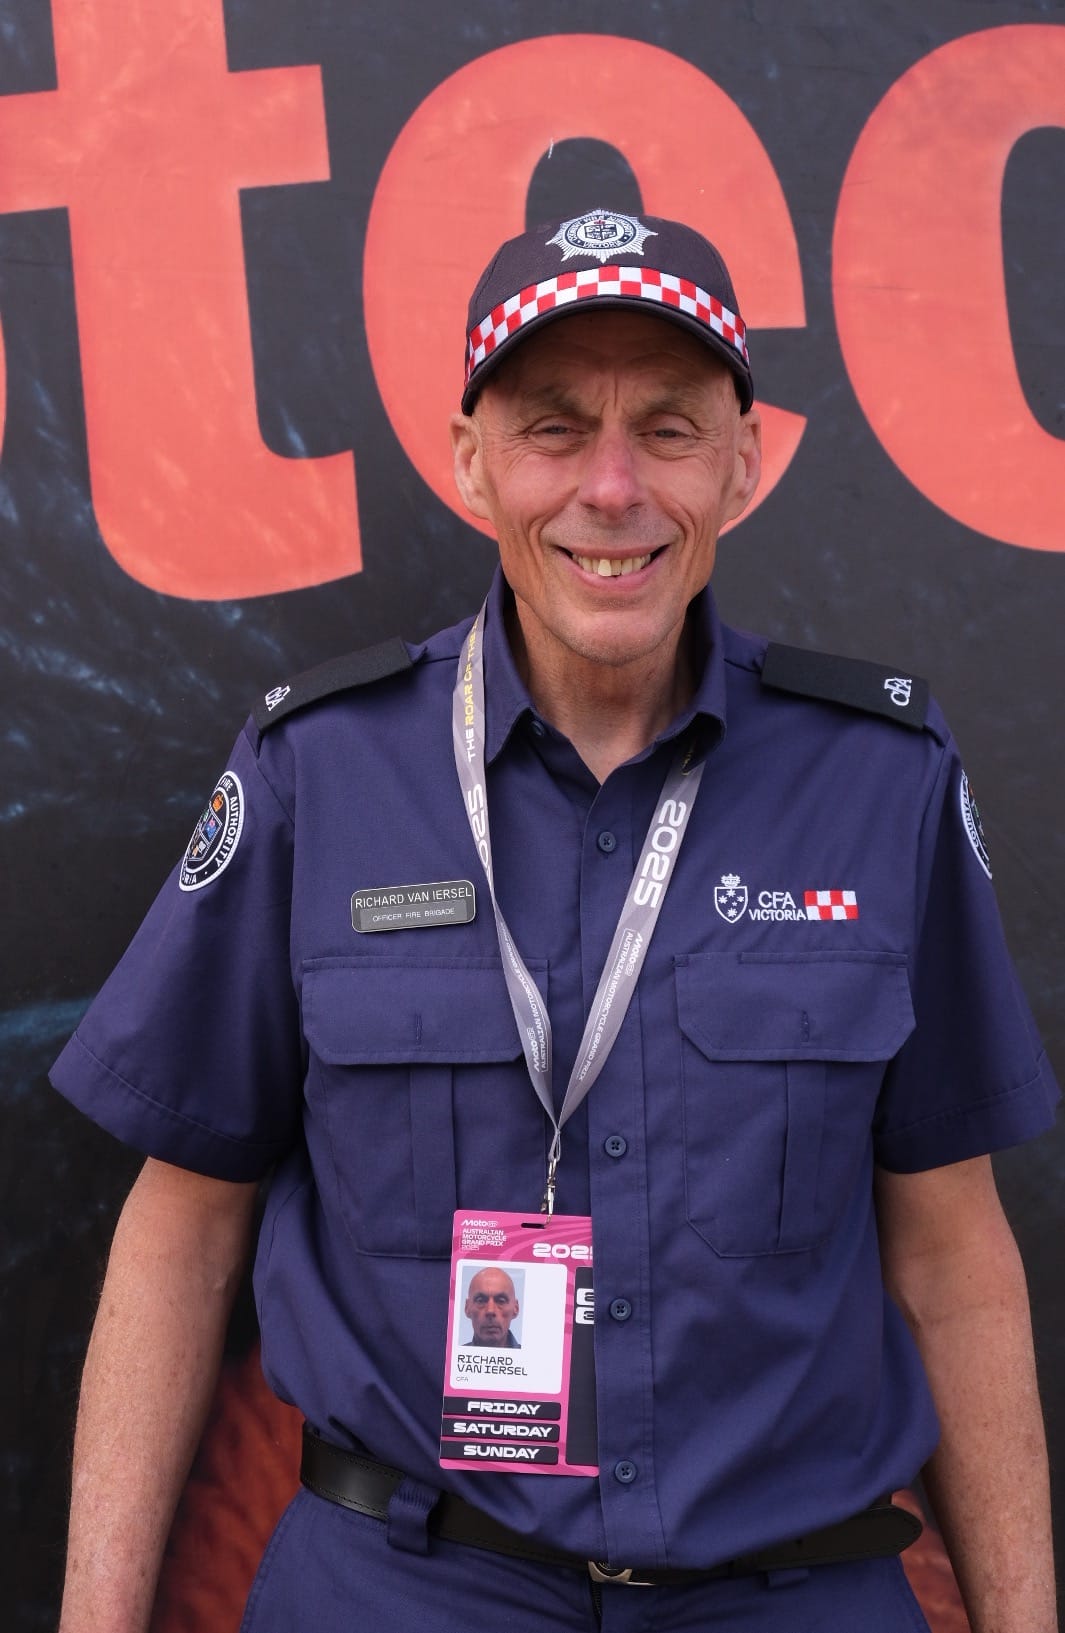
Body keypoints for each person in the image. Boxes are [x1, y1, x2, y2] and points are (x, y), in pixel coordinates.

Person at [51, 208, 1059, 1633]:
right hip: (400, 1589)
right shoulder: (315, 774)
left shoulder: (878, 780)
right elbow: (181, 1232)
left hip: (787, 1596)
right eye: (550, 429)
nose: (610, 488)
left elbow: (951, 1253)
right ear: (472, 464)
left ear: (743, 461)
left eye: (666, 428)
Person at [463, 1268, 521, 1347]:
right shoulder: (453, 1356)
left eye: (501, 1301)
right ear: (467, 1308)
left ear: (516, 1308)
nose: (490, 1311)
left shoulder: (532, 1357)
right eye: (480, 1301)